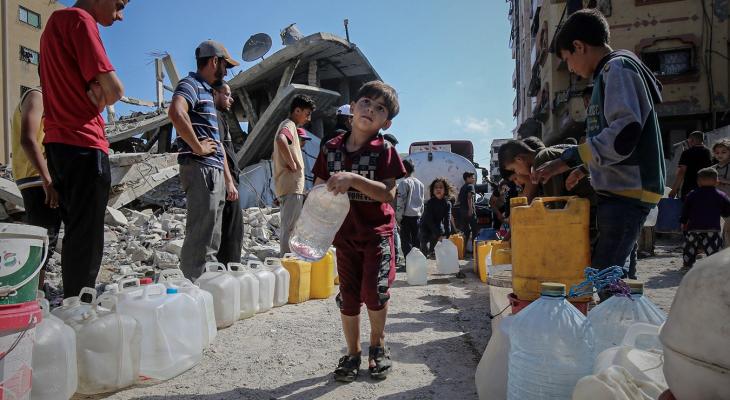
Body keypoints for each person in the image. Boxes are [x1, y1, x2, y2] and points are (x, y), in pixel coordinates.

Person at [533, 9, 665, 296]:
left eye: (567, 59)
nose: (570, 68)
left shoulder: (617, 69)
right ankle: (624, 319)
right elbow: (614, 143)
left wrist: (568, 160)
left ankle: (617, 322)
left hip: (627, 193)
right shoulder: (610, 73)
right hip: (622, 190)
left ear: (579, 46)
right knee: (617, 275)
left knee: (606, 276)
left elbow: (623, 135)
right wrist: (585, 168)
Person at [312, 81, 405, 382]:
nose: (370, 110)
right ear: (352, 108)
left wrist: (353, 179)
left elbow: (387, 193)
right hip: (344, 237)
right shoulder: (331, 148)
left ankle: (378, 345)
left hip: (376, 235)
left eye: (380, 108)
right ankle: (352, 353)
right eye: (366, 102)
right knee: (349, 297)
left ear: (386, 123)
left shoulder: (385, 150)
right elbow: (318, 187)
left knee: (374, 292)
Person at [39, 0, 128, 298]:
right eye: (119, 5)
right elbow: (115, 90)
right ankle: (80, 307)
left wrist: (97, 91)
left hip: (57, 146)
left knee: (76, 233)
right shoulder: (80, 20)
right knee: (87, 238)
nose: (120, 16)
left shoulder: (53, 25)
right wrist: (102, 94)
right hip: (84, 143)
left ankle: (72, 302)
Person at [168, 40, 239, 279]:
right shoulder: (191, 84)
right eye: (225, 66)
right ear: (214, 61)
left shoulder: (206, 91)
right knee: (200, 236)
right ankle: (192, 286)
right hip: (201, 168)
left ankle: (206, 287)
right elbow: (176, 112)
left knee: (211, 237)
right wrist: (197, 147)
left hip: (212, 169)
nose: (226, 72)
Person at [11, 87, 61, 290]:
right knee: (43, 239)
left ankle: (35, 291)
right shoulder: (36, 96)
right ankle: (32, 292)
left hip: (36, 176)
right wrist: (47, 179)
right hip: (35, 177)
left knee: (47, 239)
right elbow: (28, 139)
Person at [272, 95, 315, 256]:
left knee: (290, 226)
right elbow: (280, 139)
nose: (308, 118)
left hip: (289, 186)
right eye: (307, 113)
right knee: (290, 229)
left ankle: (289, 259)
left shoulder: (289, 126)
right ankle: (288, 261)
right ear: (297, 110)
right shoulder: (289, 125)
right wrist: (292, 163)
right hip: (291, 186)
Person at [212, 82, 243, 265]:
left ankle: (228, 267)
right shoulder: (214, 116)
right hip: (226, 181)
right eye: (227, 94)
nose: (231, 99)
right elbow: (219, 148)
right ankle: (229, 269)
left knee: (232, 229)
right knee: (232, 230)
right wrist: (229, 181)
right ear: (214, 93)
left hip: (228, 179)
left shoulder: (220, 117)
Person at [680, 167, 730, 268]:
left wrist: (683, 221)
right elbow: (727, 210)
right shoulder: (720, 195)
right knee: (713, 248)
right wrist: (724, 214)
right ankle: (714, 265)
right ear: (716, 182)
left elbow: (685, 210)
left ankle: (687, 264)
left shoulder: (692, 195)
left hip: (694, 228)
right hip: (712, 228)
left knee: (690, 247)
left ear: (698, 182)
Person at [669, 131, 713, 201]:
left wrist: (674, 189)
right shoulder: (709, 152)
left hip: (689, 188)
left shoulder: (687, 153)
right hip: (706, 187)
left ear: (691, 140)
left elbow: (682, 171)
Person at [420, 178, 454, 257]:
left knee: (436, 247)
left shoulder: (447, 203)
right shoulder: (430, 203)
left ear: (445, 190)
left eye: (441, 187)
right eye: (436, 187)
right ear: (432, 190)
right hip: (425, 226)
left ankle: (432, 252)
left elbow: (447, 220)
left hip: (438, 225)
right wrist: (438, 235)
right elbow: (429, 220)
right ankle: (424, 256)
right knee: (424, 246)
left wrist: (447, 235)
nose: (438, 189)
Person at [396, 159, 424, 257]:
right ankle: (416, 260)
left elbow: (401, 202)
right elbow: (422, 203)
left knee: (406, 242)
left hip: (406, 218)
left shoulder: (403, 183)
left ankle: (408, 261)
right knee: (416, 241)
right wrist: (420, 215)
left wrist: (398, 218)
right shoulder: (420, 184)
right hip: (417, 217)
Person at [712, 138, 730, 248]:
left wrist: (723, 181)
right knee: (716, 230)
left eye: (723, 152)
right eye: (717, 152)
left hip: (728, 203)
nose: (720, 155)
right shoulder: (712, 169)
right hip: (715, 204)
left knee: (728, 230)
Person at [456, 172, 478, 255]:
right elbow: (469, 197)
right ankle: (475, 251)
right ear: (467, 178)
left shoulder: (462, 187)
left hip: (462, 212)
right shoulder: (470, 186)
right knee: (475, 230)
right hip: (469, 211)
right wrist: (470, 209)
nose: (474, 179)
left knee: (466, 232)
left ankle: (463, 250)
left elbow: (459, 200)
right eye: (472, 177)